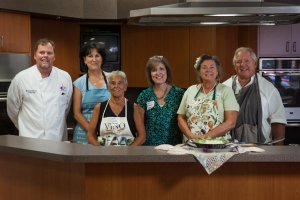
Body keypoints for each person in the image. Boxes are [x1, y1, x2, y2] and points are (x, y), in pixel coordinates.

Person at [7, 38, 73, 141]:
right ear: (35, 55)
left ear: (54, 56)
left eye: (49, 53)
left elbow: (66, 108)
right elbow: (12, 110)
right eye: (41, 52)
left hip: (57, 139)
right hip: (30, 139)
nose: (45, 55)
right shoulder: (21, 78)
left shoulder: (65, 77)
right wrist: (24, 128)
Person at [223, 47, 287, 144]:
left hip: (262, 149)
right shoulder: (224, 88)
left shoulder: (269, 89)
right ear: (234, 66)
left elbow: (278, 120)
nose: (242, 65)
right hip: (229, 148)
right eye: (238, 61)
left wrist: (279, 151)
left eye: (247, 61)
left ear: (255, 64)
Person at [177, 55, 239, 141]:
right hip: (191, 143)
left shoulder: (226, 91)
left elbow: (231, 122)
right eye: (204, 67)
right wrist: (190, 135)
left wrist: (204, 138)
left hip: (217, 145)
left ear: (217, 71)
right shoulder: (190, 90)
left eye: (212, 67)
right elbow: (181, 117)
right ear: (199, 71)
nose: (208, 70)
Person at [87, 71, 146, 146]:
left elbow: (142, 136)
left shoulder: (133, 107)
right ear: (108, 87)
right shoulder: (99, 108)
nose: (116, 86)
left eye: (120, 83)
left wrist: (130, 151)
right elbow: (90, 135)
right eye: (113, 83)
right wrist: (99, 150)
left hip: (128, 155)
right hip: (103, 154)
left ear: (125, 87)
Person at [137, 56, 184, 146]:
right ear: (150, 74)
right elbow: (140, 127)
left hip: (174, 148)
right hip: (149, 149)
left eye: (161, 69)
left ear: (167, 71)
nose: (158, 73)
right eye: (154, 70)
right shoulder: (144, 95)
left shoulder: (180, 94)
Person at [73, 42, 110, 144]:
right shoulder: (79, 83)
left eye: (97, 56)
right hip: (83, 132)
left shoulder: (112, 79)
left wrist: (101, 131)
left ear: (102, 59)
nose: (94, 59)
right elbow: (76, 113)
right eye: (90, 56)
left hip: (108, 132)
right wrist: (92, 131)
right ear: (85, 60)